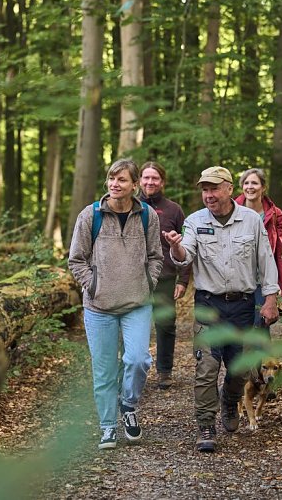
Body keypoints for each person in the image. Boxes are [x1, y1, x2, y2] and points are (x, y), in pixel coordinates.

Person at [163, 166, 280, 453]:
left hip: (242, 305)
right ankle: (206, 425)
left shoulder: (251, 221)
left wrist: (270, 298)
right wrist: (176, 248)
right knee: (206, 367)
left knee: (238, 370)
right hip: (208, 305)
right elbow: (184, 256)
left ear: (229, 188)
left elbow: (265, 261)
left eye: (214, 188)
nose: (209, 194)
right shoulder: (194, 221)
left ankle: (229, 400)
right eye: (204, 189)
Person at [68, 159, 164, 450]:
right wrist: (94, 285)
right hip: (99, 308)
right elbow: (76, 260)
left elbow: (156, 256)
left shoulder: (147, 215)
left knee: (138, 360)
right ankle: (108, 427)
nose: (114, 184)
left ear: (135, 185)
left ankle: (129, 404)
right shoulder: (90, 215)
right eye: (111, 178)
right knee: (104, 370)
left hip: (137, 303)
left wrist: (148, 283)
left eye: (121, 180)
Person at [138, 161, 191, 390]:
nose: (150, 182)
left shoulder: (174, 210)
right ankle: (132, 372)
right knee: (133, 325)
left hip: (165, 278)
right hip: (134, 280)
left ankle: (164, 372)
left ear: (162, 182)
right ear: (139, 180)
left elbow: (187, 245)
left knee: (165, 325)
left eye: (155, 178)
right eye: (146, 178)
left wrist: (183, 279)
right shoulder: (129, 205)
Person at [234, 168, 282, 330]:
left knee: (259, 326)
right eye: (246, 183)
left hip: (261, 280)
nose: (250, 187)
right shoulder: (232, 210)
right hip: (236, 279)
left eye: (254, 183)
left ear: (263, 187)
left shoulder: (275, 214)